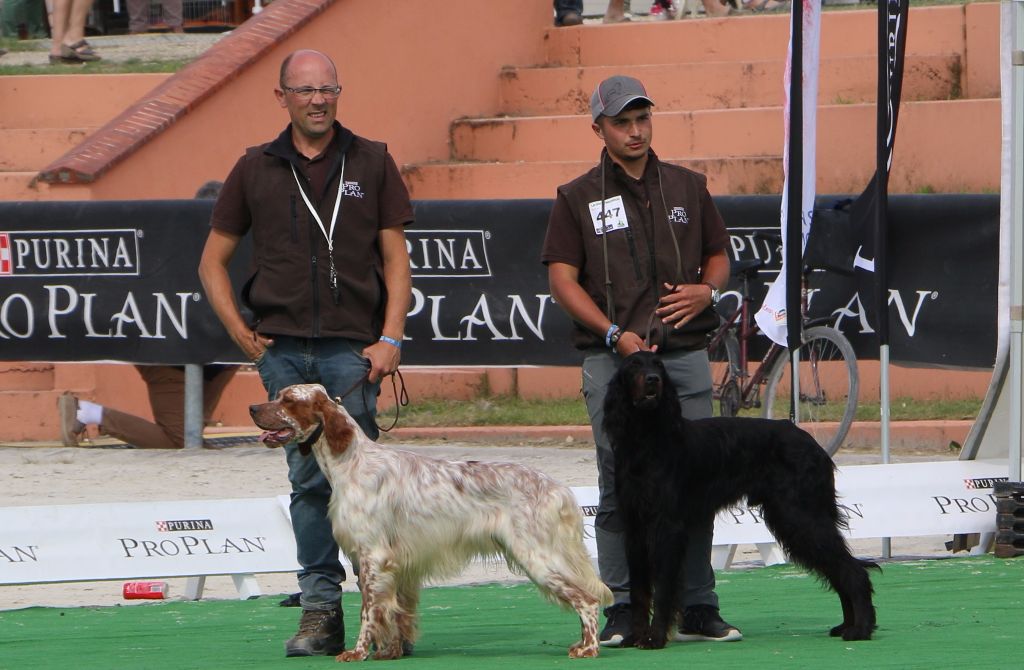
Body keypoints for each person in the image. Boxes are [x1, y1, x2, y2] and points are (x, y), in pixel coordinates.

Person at [198, 49, 413, 658]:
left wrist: (390, 338)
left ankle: (387, 617)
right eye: (305, 90)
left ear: (339, 93)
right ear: (282, 96)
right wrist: (240, 331)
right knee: (307, 482)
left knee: (366, 488)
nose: (318, 100)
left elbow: (396, 259)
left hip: (353, 351)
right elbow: (211, 262)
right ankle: (321, 612)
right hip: (284, 352)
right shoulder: (255, 168)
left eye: (328, 89)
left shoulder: (371, 159)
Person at [541, 75, 739, 647]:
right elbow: (561, 279)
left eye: (642, 119)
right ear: (599, 128)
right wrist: (611, 335)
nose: (635, 131)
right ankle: (625, 606)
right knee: (616, 488)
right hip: (614, 362)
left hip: (683, 355)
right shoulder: (576, 196)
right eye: (622, 122)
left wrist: (708, 290)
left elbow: (718, 255)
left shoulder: (686, 185)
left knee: (694, 484)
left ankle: (698, 605)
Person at [56, 365, 238, 449]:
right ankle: (87, 412)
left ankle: (88, 412)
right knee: (184, 442)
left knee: (190, 436)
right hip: (173, 355)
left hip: (216, 359)